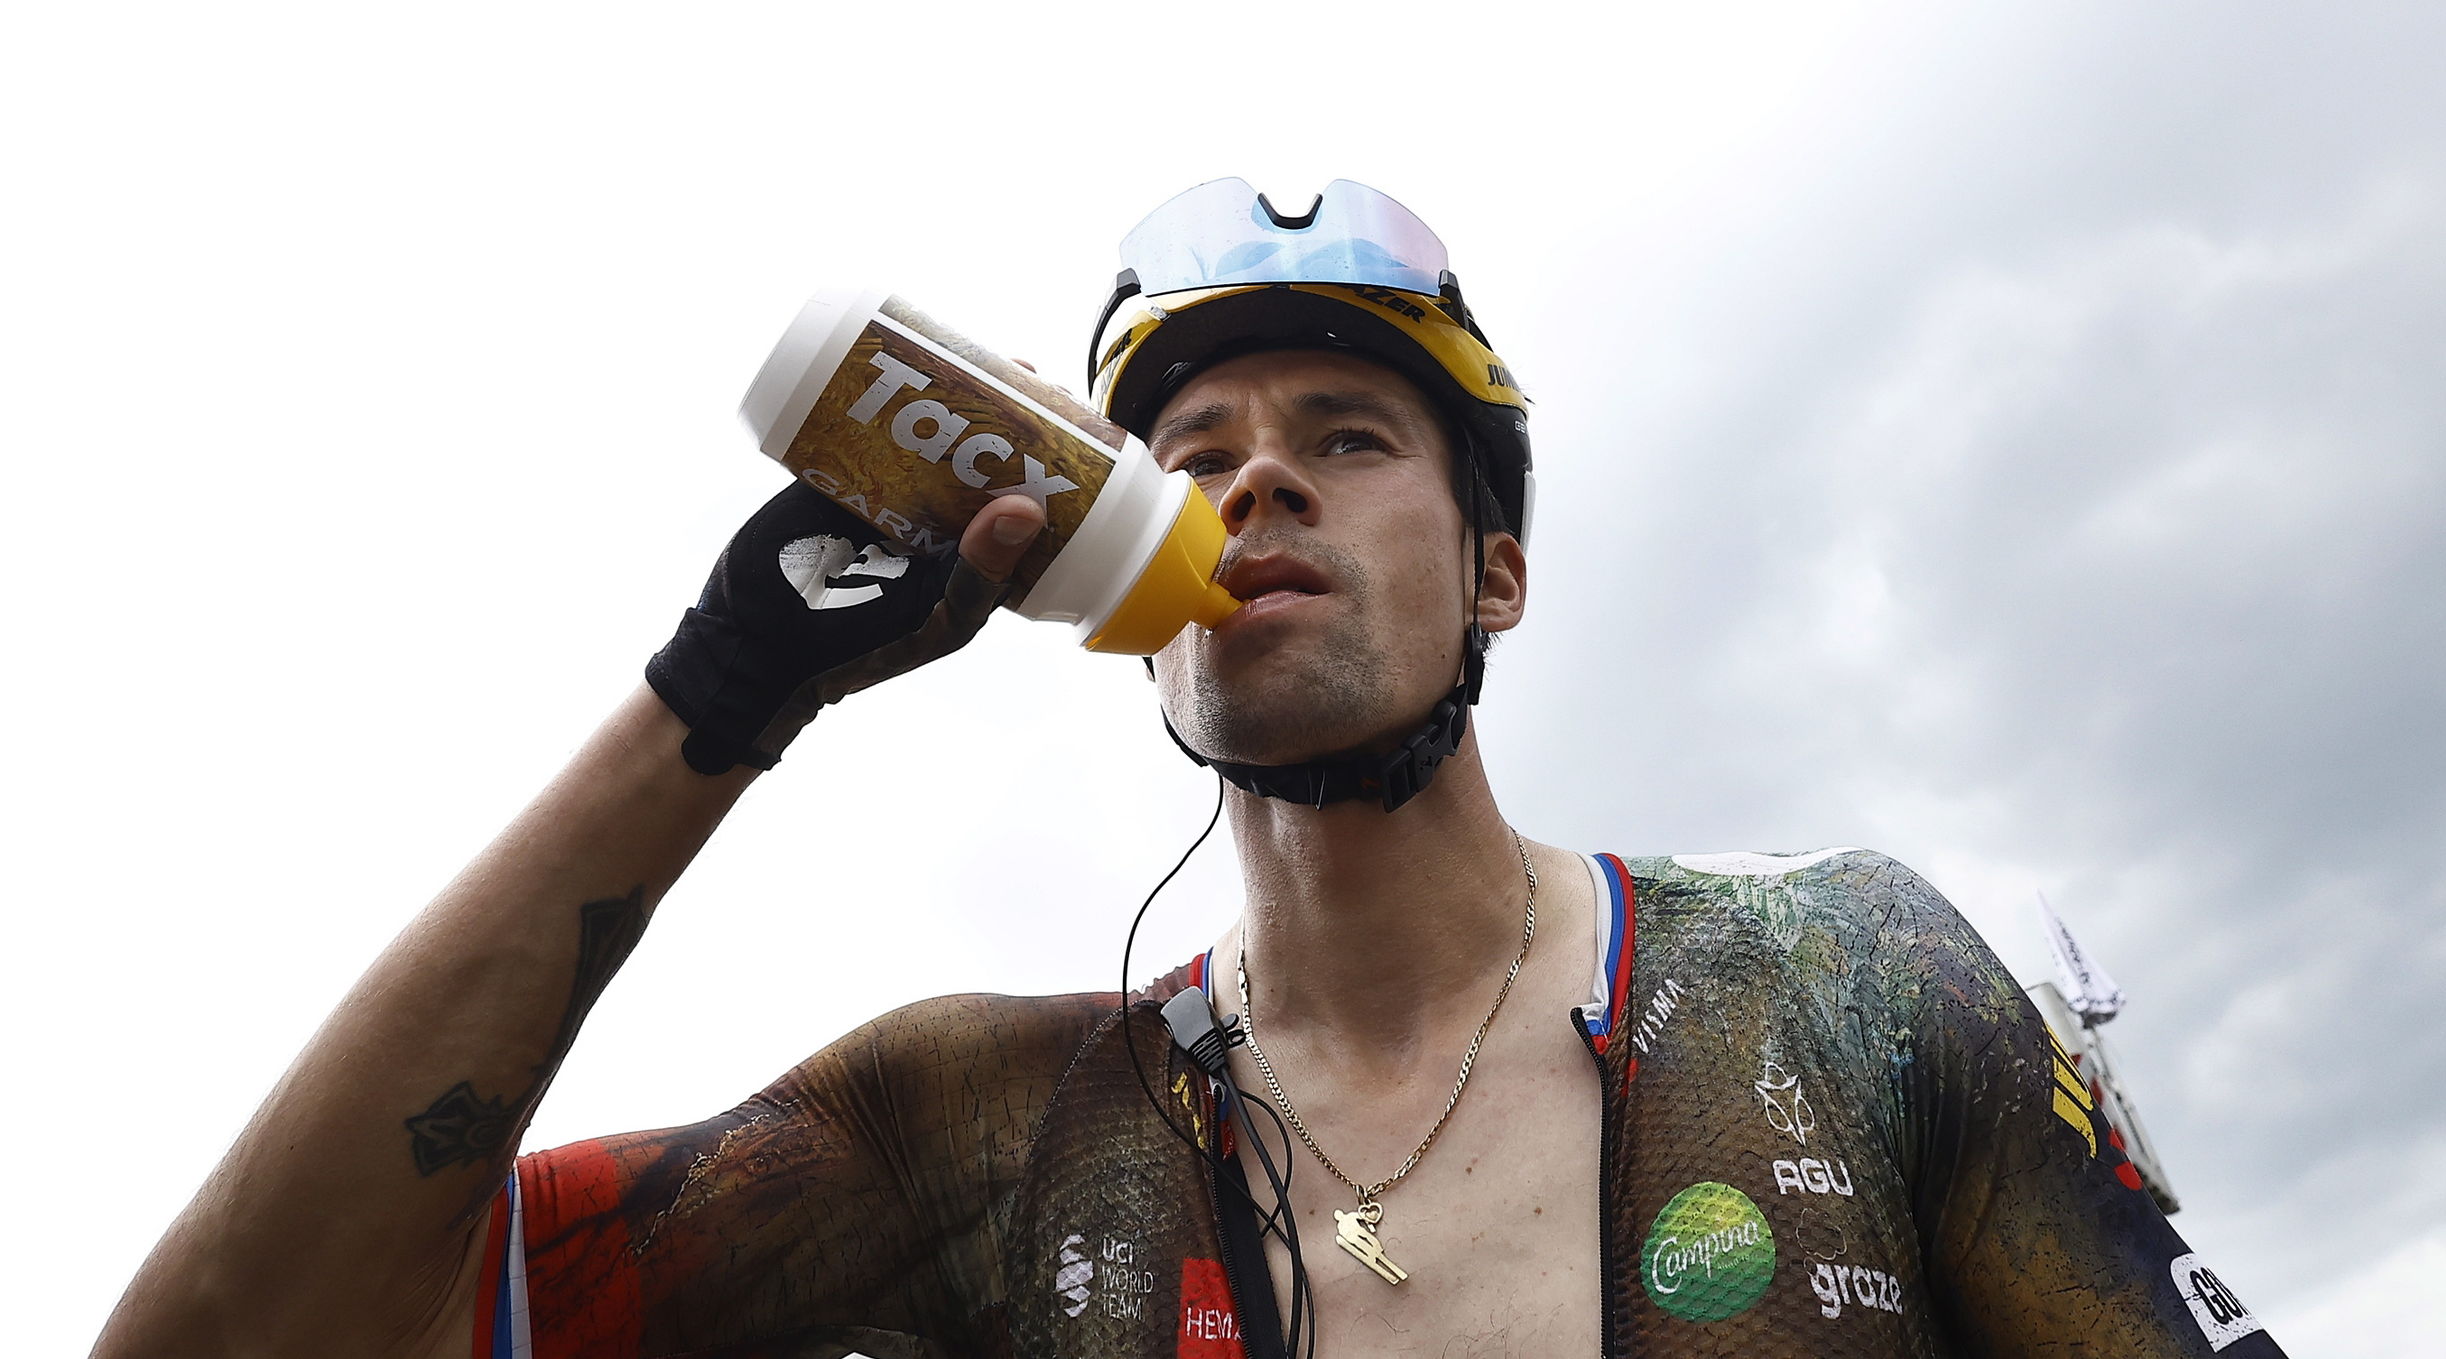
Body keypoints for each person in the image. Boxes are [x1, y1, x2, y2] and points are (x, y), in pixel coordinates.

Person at [96, 179, 2286, 1359]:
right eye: (1195, 453)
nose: (1259, 485)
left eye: (1348, 438)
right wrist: (714, 698)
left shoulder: (1843, 982)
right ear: (1118, 577)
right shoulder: (987, 1126)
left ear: (1498, 572)